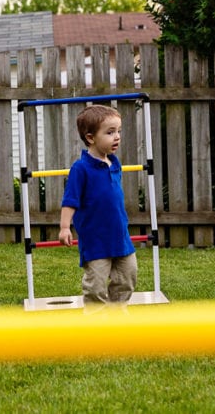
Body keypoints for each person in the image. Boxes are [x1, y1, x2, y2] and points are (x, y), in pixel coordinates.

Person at [59, 104, 137, 309]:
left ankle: (117, 315)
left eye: (119, 131)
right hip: (95, 241)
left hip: (120, 237)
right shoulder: (80, 168)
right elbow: (70, 200)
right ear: (91, 138)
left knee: (128, 277)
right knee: (96, 286)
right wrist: (65, 227)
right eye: (110, 132)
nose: (117, 137)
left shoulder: (114, 163)